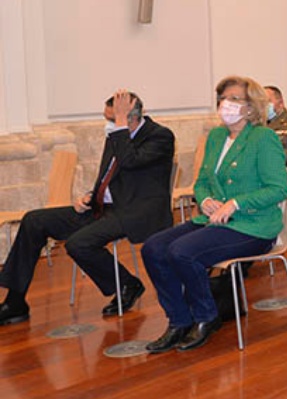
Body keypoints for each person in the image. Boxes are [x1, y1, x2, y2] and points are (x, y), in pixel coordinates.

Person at [0, 90, 174, 326]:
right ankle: (15, 301)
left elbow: (130, 162)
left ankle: (126, 284)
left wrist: (120, 126)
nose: (108, 124)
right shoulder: (117, 135)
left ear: (131, 118)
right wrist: (89, 197)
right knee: (34, 220)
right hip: (103, 208)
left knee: (78, 244)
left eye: (111, 118)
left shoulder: (160, 137)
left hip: (135, 211)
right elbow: (110, 175)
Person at [141, 76, 287, 353]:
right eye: (222, 98)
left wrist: (234, 203)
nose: (225, 104)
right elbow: (203, 180)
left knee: (182, 252)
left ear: (251, 106)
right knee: (154, 248)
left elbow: (278, 189)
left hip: (252, 226)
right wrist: (205, 198)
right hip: (213, 221)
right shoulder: (217, 136)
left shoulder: (263, 138)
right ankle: (179, 320)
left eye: (234, 98)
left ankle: (207, 317)